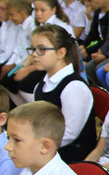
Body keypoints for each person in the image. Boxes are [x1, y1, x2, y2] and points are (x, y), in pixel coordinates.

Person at [30, 24, 95, 163]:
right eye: (33, 49)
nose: (34, 54)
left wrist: (36, 147)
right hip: (49, 147)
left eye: (41, 49)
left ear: (61, 53)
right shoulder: (41, 85)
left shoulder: (74, 87)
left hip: (72, 154)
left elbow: (68, 134)